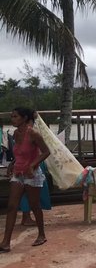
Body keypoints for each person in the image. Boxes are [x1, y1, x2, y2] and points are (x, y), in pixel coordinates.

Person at [0, 107, 51, 252]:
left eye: (15, 116)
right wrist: (12, 163)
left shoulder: (33, 134)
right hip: (18, 173)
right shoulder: (16, 134)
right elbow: (19, 153)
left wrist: (33, 165)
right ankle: (5, 242)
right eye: (12, 116)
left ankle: (41, 234)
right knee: (11, 206)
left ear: (24, 118)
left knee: (35, 206)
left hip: (32, 175)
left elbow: (46, 152)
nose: (12, 119)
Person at [19, 161, 52, 226]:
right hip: (31, 162)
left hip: (27, 162)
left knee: (27, 188)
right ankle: (27, 217)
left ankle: (26, 216)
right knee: (31, 189)